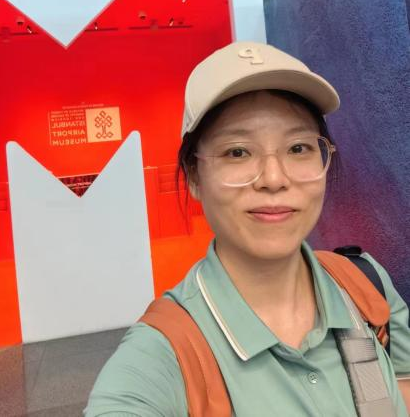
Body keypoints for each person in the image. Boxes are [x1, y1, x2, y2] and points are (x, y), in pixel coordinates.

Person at [85, 41, 410, 416]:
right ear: (194, 176)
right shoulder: (164, 354)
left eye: (298, 148)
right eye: (237, 151)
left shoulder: (364, 285)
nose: (274, 178)